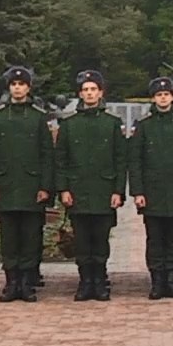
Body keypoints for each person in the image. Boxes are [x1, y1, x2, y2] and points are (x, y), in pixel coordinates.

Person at [0, 66, 54, 303]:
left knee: (31, 238)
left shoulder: (38, 117)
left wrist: (45, 186)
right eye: (13, 85)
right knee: (9, 238)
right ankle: (11, 282)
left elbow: (47, 154)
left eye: (21, 84)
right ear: (9, 88)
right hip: (5, 187)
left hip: (32, 188)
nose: (17, 88)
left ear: (28, 88)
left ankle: (26, 283)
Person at [56, 70, 127, 301]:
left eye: (93, 89)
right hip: (77, 193)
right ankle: (85, 282)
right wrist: (64, 189)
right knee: (82, 241)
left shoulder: (112, 124)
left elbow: (120, 160)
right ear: (80, 94)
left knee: (100, 241)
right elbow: (62, 160)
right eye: (85, 90)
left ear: (100, 93)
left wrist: (118, 191)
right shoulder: (69, 124)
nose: (89, 93)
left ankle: (100, 282)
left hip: (103, 192)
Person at [127, 76, 173, 299]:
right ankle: (157, 282)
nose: (163, 98)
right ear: (153, 98)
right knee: (155, 240)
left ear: (172, 97)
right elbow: (135, 161)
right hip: (153, 194)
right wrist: (138, 192)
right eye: (159, 95)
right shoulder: (144, 127)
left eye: (166, 94)